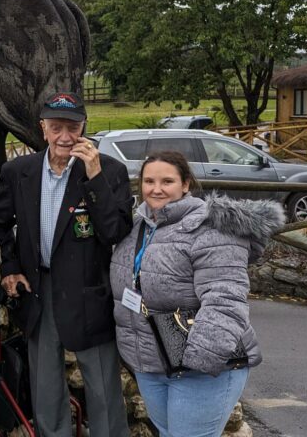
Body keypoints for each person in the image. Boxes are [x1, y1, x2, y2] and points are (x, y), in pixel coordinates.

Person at [0, 92, 131, 437]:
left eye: (73, 128)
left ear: (84, 127)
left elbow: (114, 231)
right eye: (56, 128)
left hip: (89, 292)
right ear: (43, 128)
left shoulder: (110, 171)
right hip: (39, 290)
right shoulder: (18, 171)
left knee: (103, 388)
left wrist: (94, 178)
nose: (65, 137)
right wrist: (10, 267)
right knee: (46, 389)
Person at [110, 151, 282, 437]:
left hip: (199, 367)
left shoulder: (210, 228)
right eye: (149, 181)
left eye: (167, 181)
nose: (156, 189)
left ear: (186, 184)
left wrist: (199, 360)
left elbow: (225, 299)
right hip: (152, 364)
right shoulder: (138, 227)